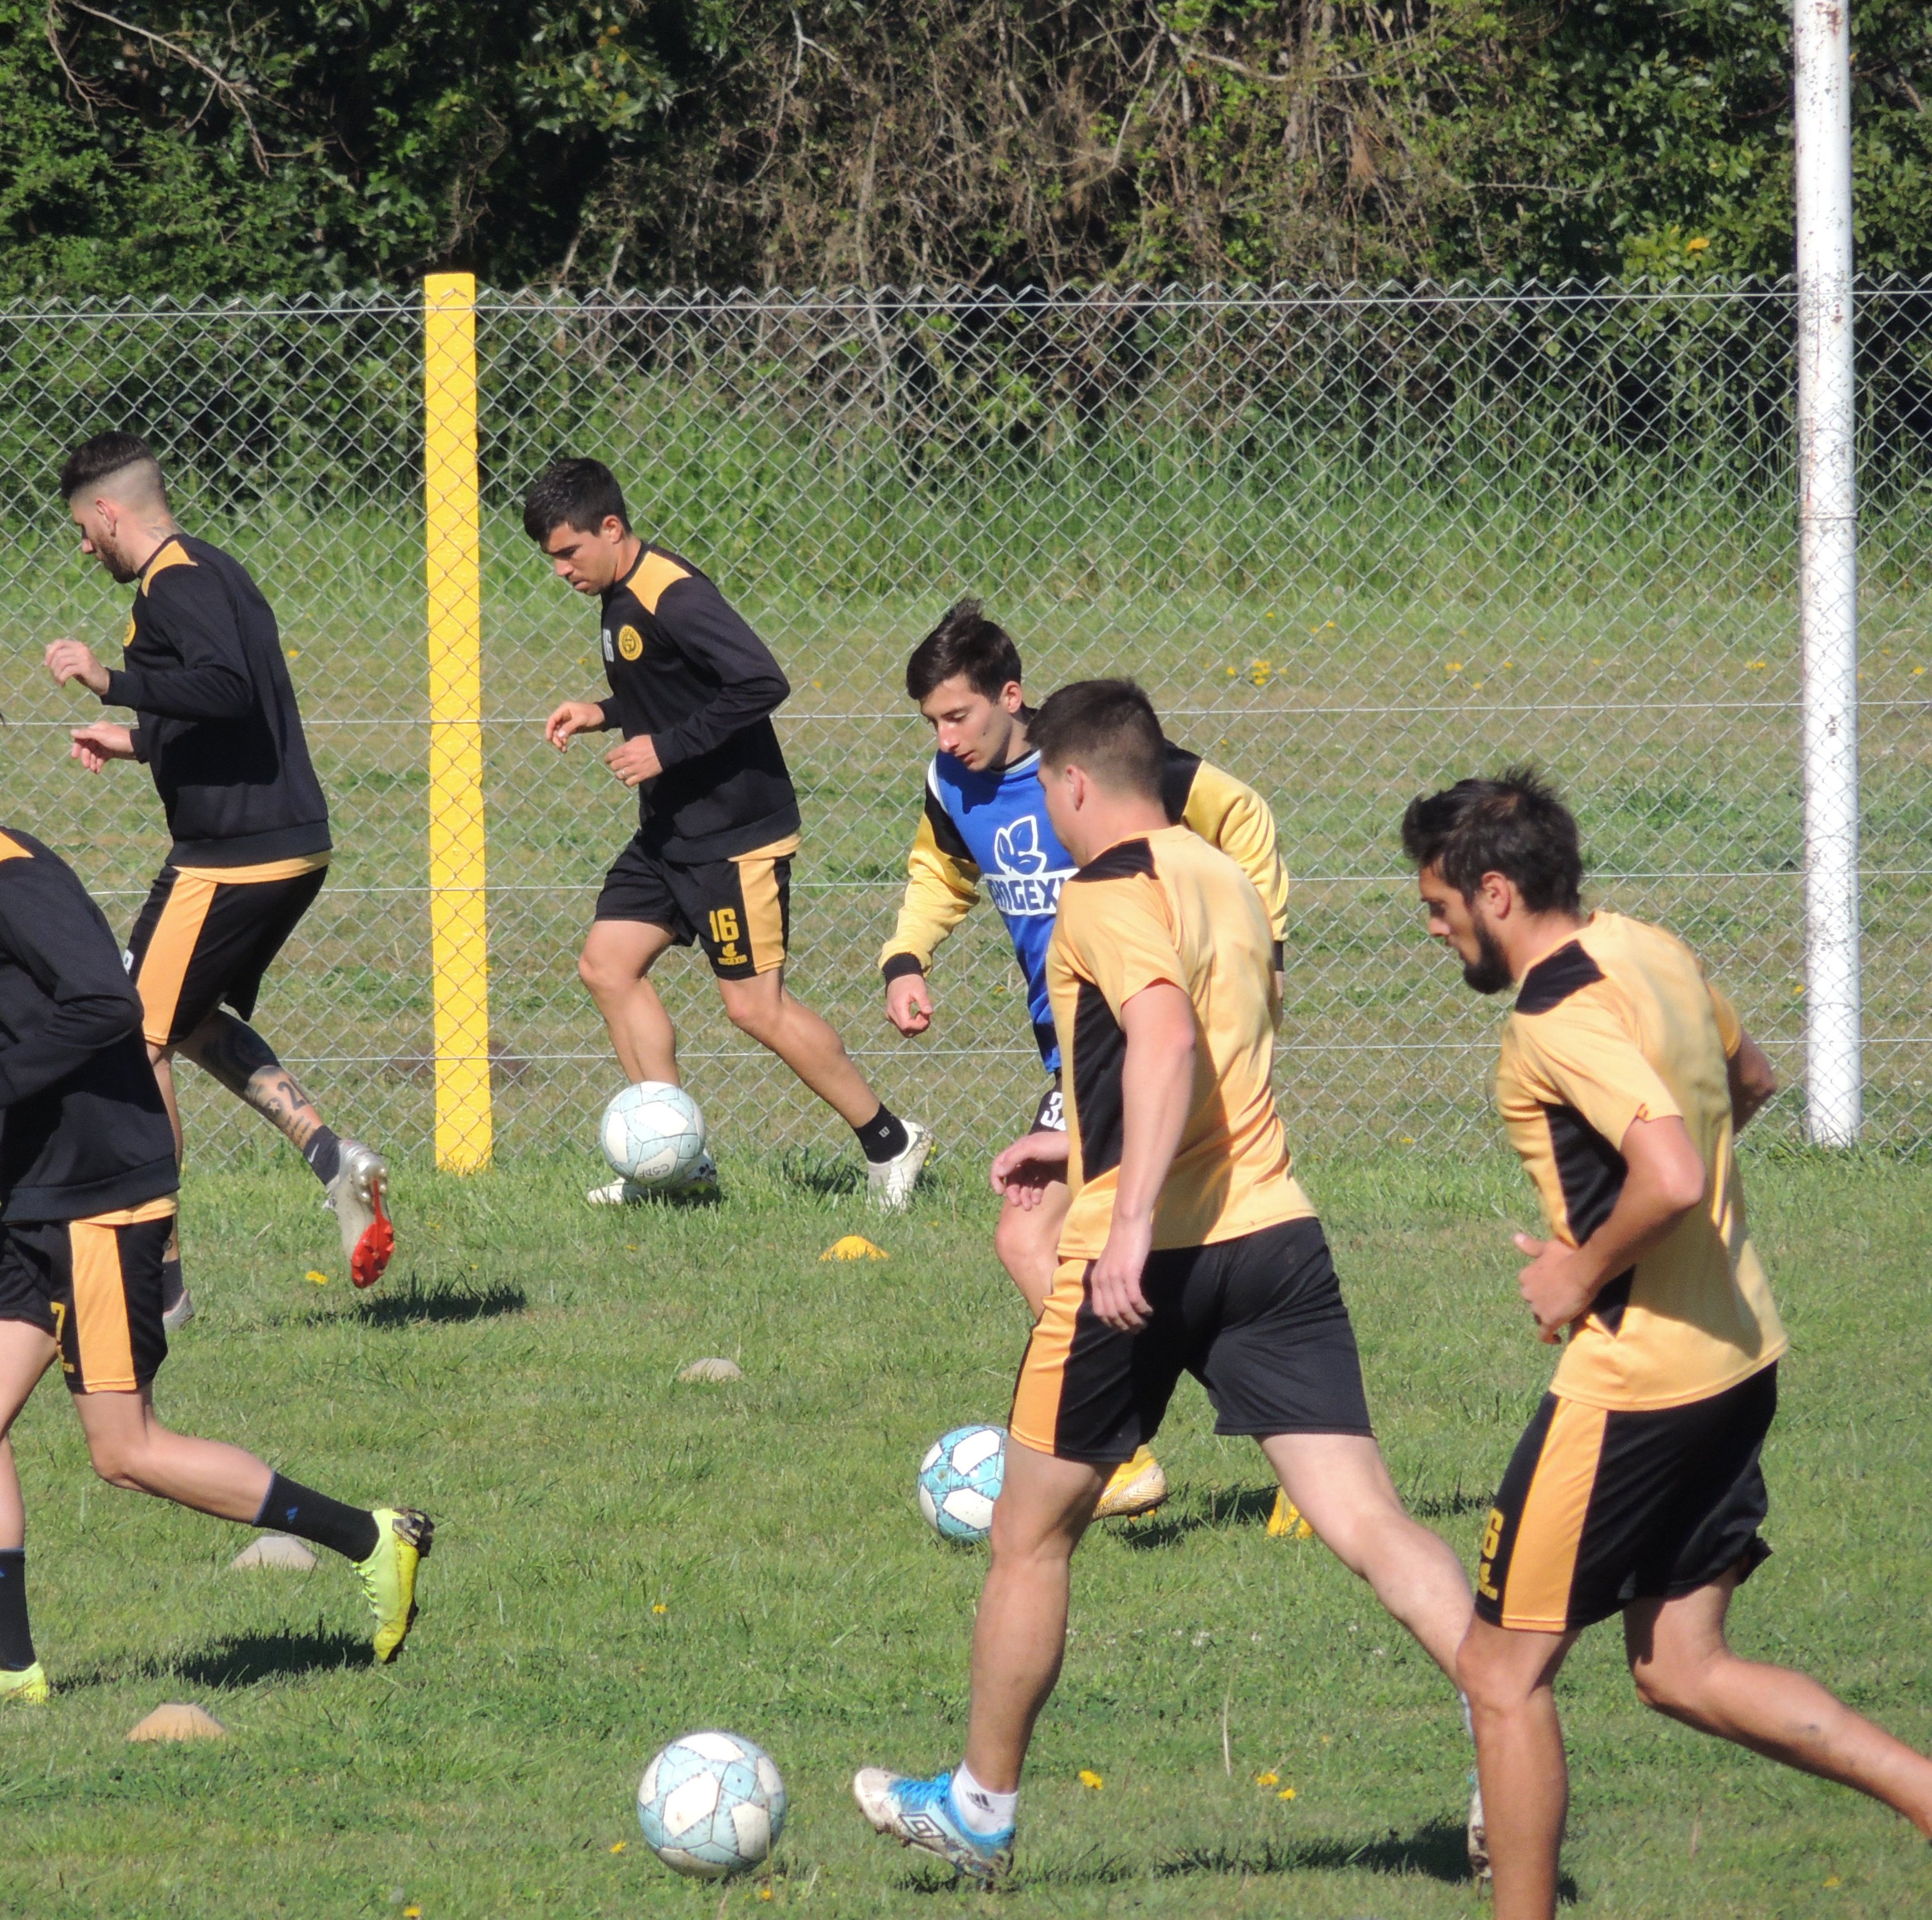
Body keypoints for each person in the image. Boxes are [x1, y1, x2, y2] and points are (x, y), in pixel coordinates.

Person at [852, 679, 1475, 1884]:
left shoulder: (1102, 890)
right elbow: (1215, 1041)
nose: (1042, 813)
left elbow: (1164, 1035)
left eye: (1045, 791)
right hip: (1271, 1229)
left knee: (1031, 1535)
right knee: (1369, 1521)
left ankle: (980, 1806)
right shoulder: (1222, 874)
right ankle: (1501, 1722)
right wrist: (1080, 1142)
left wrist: (1125, 1210)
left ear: (1077, 782)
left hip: (1137, 1257)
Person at [0, 682, 432, 1704]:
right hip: (40, 1197)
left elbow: (109, 1006)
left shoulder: (15, 878)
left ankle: (372, 1538)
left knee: (127, 1449)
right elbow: (33, 1036)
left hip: (102, 1199)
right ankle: (8, 1663)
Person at [1404, 770, 1932, 1918]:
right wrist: (1618, 1220)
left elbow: (1674, 1172)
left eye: (1441, 908)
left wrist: (1580, 1267)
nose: (1436, 931)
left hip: (1634, 1387)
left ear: (1497, 892)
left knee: (1501, 1673)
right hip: (1738, 1354)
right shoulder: (1650, 944)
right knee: (1681, 1667)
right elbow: (1748, 1080)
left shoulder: (1550, 1019)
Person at [879, 599, 1299, 1528]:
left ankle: (1119, 1458)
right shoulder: (952, 790)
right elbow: (941, 875)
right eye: (932, 723)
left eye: (961, 716)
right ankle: (1303, 1468)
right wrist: (907, 958)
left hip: (1138, 1041)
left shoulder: (1099, 770)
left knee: (1030, 1237)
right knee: (1206, 1254)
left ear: (1011, 696)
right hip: (1078, 1051)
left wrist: (1262, 949)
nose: (947, 739)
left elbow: (1246, 815)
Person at [44, 431, 391, 1314]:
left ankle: (157, 1287)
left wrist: (108, 682)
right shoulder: (217, 569)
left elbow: (226, 687)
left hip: (232, 857)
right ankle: (331, 1157)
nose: (87, 549)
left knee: (133, 1036)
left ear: (110, 512)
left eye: (87, 531)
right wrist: (132, 741)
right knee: (186, 1020)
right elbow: (222, 712)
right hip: (287, 842)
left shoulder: (175, 585)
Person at [527, 456, 929, 1206]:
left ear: (610, 528)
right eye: (552, 558)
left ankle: (891, 1141)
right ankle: (675, 1162)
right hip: (672, 829)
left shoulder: (672, 595)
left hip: (734, 833)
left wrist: (663, 747)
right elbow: (674, 686)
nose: (560, 570)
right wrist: (603, 711)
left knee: (753, 1007)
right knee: (607, 966)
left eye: (567, 552)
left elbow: (759, 680)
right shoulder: (616, 593)